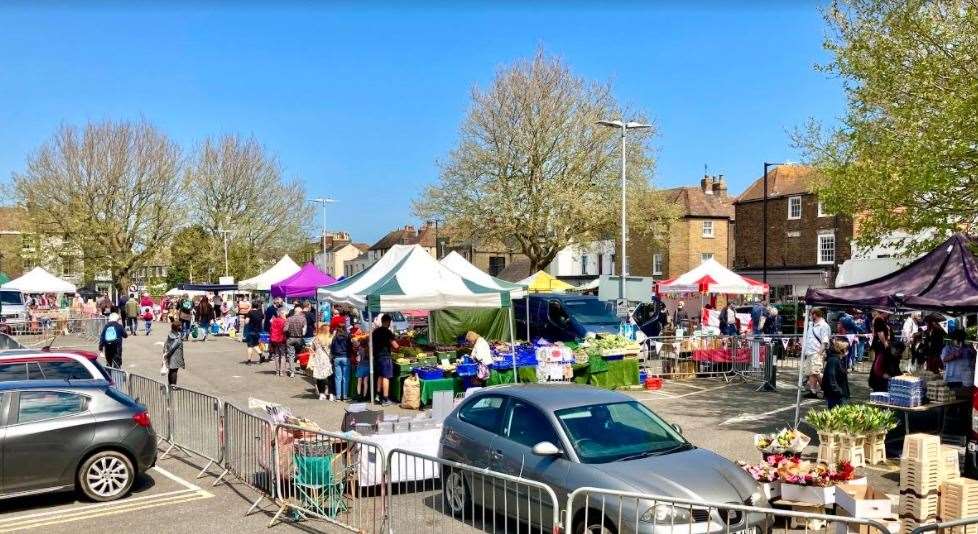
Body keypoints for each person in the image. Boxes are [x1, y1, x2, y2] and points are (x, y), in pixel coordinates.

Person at [371, 314, 399, 405]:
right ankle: (386, 399)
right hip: (385, 356)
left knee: (380, 376)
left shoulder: (375, 332)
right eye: (389, 322)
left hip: (377, 356)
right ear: (387, 322)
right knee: (386, 377)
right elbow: (395, 346)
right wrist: (398, 347)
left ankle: (378, 396)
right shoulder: (388, 332)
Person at [802, 308, 830, 398]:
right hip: (809, 352)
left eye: (810, 314)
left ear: (814, 315)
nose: (809, 316)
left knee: (816, 372)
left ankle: (826, 390)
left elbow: (824, 341)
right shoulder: (811, 324)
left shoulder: (823, 325)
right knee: (811, 372)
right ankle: (813, 391)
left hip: (816, 352)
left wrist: (820, 353)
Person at [822, 339, 851, 409]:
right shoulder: (834, 361)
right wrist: (839, 392)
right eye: (847, 349)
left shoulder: (837, 360)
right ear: (843, 350)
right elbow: (831, 378)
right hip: (836, 397)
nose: (848, 352)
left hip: (838, 395)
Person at [310, 325, 334, 400]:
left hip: (319, 359)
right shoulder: (331, 338)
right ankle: (331, 394)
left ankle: (321, 394)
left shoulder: (317, 338)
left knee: (320, 377)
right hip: (328, 359)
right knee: (330, 377)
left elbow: (312, 348)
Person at [331, 323, 352, 401]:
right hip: (346, 357)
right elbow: (350, 347)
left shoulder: (335, 337)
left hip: (337, 358)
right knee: (345, 378)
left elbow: (332, 348)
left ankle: (338, 396)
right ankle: (345, 396)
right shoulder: (347, 337)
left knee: (337, 378)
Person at [284, 305, 306, 378]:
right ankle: (301, 369)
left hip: (290, 338)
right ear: (300, 312)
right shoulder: (303, 319)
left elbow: (285, 329)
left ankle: (292, 372)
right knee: (300, 354)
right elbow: (304, 331)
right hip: (299, 339)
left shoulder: (289, 319)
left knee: (291, 355)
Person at [162, 320, 185, 386]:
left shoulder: (171, 333)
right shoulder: (177, 337)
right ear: (177, 327)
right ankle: (173, 385)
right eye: (180, 326)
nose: (181, 327)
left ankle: (170, 384)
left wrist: (166, 353)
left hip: (171, 355)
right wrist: (168, 354)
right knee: (174, 371)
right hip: (175, 355)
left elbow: (166, 344)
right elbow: (173, 347)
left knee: (171, 370)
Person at [244, 300, 265, 364]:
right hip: (258, 331)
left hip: (251, 330)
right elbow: (263, 321)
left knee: (250, 346)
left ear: (252, 305)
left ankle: (249, 360)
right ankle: (261, 355)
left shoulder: (250, 312)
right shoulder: (260, 313)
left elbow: (246, 322)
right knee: (255, 344)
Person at [269, 307, 287, 374]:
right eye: (285, 313)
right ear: (282, 313)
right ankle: (281, 371)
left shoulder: (274, 320)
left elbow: (271, 330)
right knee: (282, 355)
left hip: (274, 340)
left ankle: (277, 371)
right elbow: (286, 330)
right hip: (282, 340)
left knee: (276, 355)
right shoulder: (284, 321)